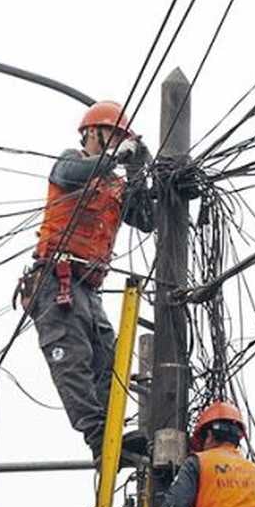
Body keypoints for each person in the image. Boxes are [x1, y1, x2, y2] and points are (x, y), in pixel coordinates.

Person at [18, 100, 155, 463]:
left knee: (110, 364)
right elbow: (73, 173)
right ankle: (98, 438)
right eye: (111, 135)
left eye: (121, 138)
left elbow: (146, 218)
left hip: (88, 289)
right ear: (91, 133)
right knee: (73, 360)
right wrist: (115, 158)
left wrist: (139, 170)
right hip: (55, 280)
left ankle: (112, 435)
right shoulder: (70, 163)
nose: (115, 144)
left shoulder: (113, 186)